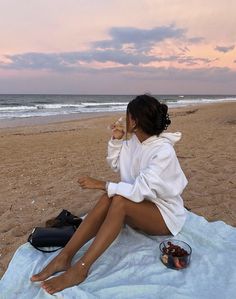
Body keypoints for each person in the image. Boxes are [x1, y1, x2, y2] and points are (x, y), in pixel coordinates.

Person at [30, 94, 188, 294]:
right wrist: (116, 139)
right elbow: (116, 164)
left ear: (134, 121)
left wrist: (101, 184)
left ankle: (81, 269)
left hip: (163, 215)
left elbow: (139, 190)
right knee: (110, 197)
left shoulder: (163, 151)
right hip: (139, 206)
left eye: (127, 115)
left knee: (118, 200)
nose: (123, 119)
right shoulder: (134, 142)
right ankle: (65, 256)